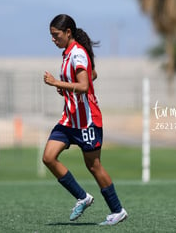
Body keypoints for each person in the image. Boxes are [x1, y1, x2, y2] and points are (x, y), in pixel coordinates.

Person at [43, 14, 128, 226]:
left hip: (87, 121)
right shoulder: (68, 53)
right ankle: (83, 197)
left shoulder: (78, 54)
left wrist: (57, 84)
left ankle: (118, 211)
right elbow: (92, 75)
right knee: (48, 158)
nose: (53, 39)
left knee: (94, 166)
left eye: (56, 35)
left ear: (68, 32)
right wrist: (67, 90)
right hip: (69, 119)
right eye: (51, 36)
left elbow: (84, 85)